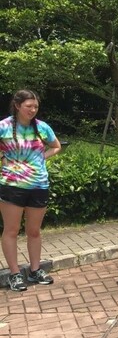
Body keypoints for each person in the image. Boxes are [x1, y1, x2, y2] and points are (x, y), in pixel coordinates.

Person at [0, 90, 62, 291]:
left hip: (38, 185)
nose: (33, 110)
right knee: (11, 230)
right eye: (29, 106)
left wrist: (41, 158)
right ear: (17, 106)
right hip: (11, 186)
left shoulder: (42, 127)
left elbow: (56, 146)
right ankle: (15, 274)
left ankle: (35, 270)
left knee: (34, 231)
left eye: (35, 107)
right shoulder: (4, 127)